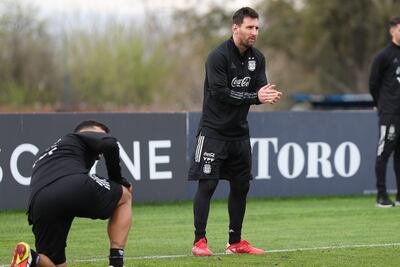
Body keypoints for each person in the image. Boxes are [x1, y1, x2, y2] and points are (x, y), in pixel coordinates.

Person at [188, 7, 282, 256]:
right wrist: (255, 97)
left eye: (257, 28)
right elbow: (220, 93)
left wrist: (267, 93)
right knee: (207, 185)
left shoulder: (257, 58)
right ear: (235, 28)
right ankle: (199, 242)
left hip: (239, 135)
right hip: (213, 132)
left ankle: (235, 242)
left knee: (241, 187)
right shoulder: (217, 56)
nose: (254, 32)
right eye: (250, 27)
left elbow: (260, 87)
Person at [11, 120, 132, 267]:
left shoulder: (47, 155)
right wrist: (118, 180)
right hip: (70, 184)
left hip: (38, 203)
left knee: (56, 263)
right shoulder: (77, 137)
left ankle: (31, 257)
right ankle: (116, 263)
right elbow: (110, 144)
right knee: (125, 196)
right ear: (87, 132)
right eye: (100, 134)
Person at [369, 16, 400, 208]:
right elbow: (373, 83)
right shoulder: (384, 56)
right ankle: (381, 196)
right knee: (384, 153)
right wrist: (379, 102)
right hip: (389, 112)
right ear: (392, 31)